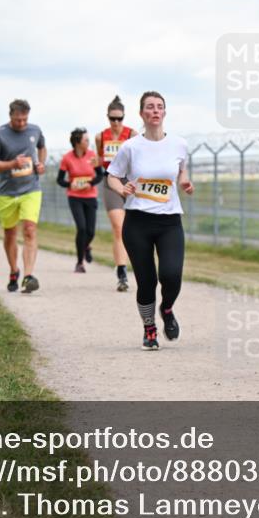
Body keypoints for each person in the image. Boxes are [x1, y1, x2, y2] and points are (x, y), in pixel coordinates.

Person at [107, 91, 193, 350]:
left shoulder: (179, 144)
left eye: (159, 107)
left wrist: (184, 181)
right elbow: (112, 176)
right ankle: (149, 328)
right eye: (150, 107)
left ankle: (166, 309)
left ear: (164, 113)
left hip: (169, 222)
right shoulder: (131, 147)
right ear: (142, 113)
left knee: (171, 275)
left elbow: (180, 169)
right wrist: (121, 189)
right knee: (147, 282)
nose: (155, 111)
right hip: (137, 223)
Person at [0, 99, 46, 293]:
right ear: (10, 116)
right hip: (6, 192)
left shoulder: (34, 130)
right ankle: (14, 270)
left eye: (24, 119)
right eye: (18, 120)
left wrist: (41, 164)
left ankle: (28, 276)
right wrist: (12, 164)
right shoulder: (0, 134)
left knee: (29, 229)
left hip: (30, 189)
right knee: (10, 233)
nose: (21, 123)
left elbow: (42, 147)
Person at [96, 95, 138, 292]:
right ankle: (121, 272)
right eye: (112, 119)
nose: (116, 123)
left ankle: (138, 265)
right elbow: (100, 159)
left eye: (119, 118)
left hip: (129, 182)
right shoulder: (101, 137)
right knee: (118, 227)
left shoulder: (132, 134)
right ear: (107, 118)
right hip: (110, 182)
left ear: (124, 118)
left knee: (135, 228)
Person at [58, 127, 105, 273]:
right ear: (78, 142)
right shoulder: (67, 158)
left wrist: (89, 183)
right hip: (75, 197)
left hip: (90, 197)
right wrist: (69, 184)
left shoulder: (92, 156)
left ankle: (85, 246)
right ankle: (80, 262)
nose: (89, 142)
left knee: (90, 232)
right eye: (86, 140)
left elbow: (100, 175)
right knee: (82, 228)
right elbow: (59, 180)